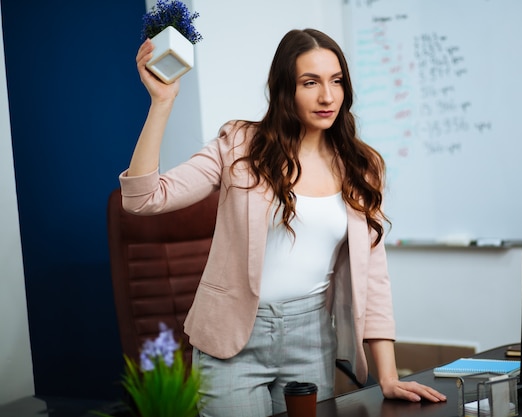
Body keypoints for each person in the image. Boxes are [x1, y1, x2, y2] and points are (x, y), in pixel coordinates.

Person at [121, 28, 447, 417]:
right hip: (234, 339)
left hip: (310, 336)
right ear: (284, 89)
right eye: (310, 82)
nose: (328, 96)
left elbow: (373, 277)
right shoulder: (239, 146)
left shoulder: (362, 166)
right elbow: (143, 200)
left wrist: (388, 377)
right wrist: (162, 102)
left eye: (336, 81)